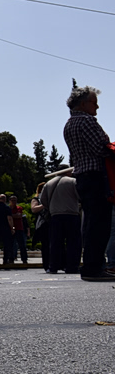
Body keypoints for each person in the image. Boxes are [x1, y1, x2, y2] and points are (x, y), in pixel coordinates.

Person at [63, 83, 115, 281]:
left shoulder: (69, 124)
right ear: (83, 104)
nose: (97, 107)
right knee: (99, 225)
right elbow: (101, 148)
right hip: (96, 177)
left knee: (91, 223)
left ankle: (92, 266)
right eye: (94, 103)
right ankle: (94, 268)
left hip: (83, 177)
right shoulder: (87, 122)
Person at [39, 172, 81, 274]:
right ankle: (72, 266)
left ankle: (53, 266)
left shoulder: (48, 183)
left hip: (55, 215)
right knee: (73, 242)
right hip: (71, 214)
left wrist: (52, 207)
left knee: (55, 243)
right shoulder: (72, 181)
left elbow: (43, 200)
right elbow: (80, 195)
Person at [9, 196, 28, 264]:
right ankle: (11, 258)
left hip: (19, 228)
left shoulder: (19, 208)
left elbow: (19, 215)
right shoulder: (8, 208)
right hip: (10, 229)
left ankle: (24, 259)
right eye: (12, 200)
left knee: (22, 245)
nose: (14, 202)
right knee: (10, 245)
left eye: (15, 200)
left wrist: (10, 215)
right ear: (9, 201)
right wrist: (13, 215)